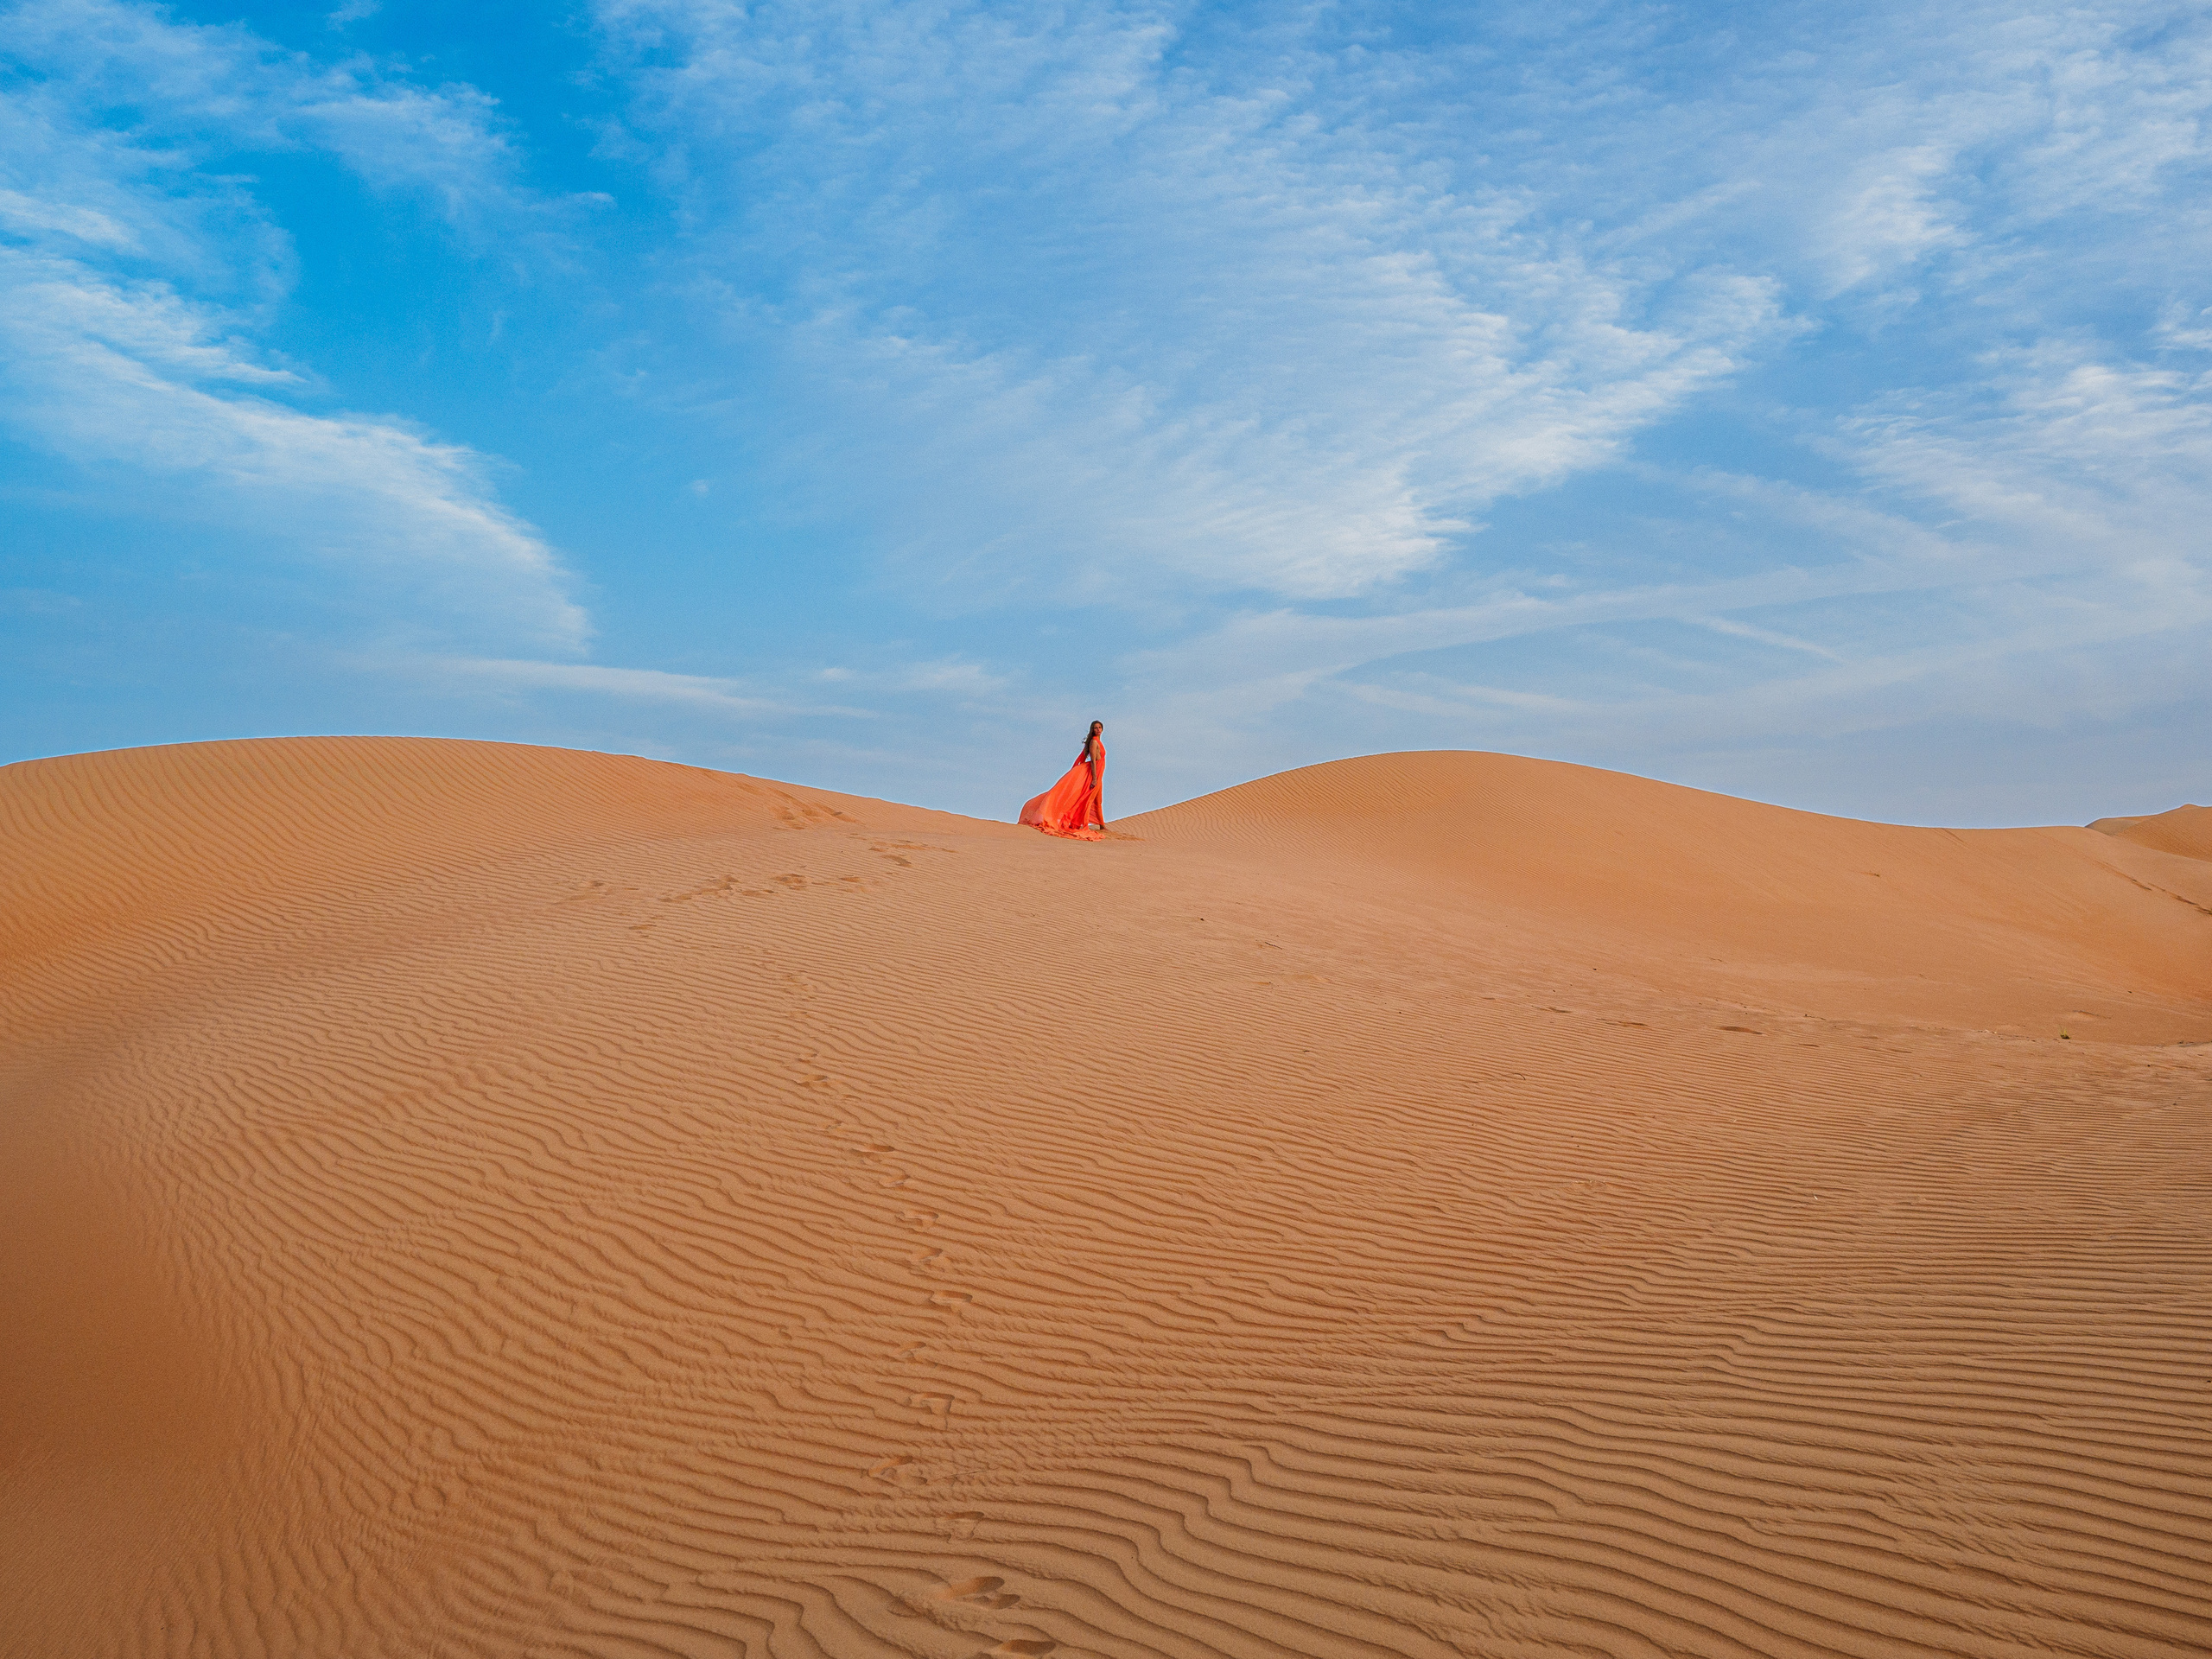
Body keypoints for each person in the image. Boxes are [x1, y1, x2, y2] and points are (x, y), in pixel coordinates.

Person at [1019, 721, 1107, 840]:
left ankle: (1102, 825)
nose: (1098, 729)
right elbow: (1093, 762)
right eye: (1095, 728)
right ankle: (1084, 825)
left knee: (1098, 800)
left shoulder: (1099, 742)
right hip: (1092, 775)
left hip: (1098, 775)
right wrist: (1094, 778)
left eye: (1099, 727)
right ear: (1092, 730)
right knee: (1087, 799)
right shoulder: (1094, 742)